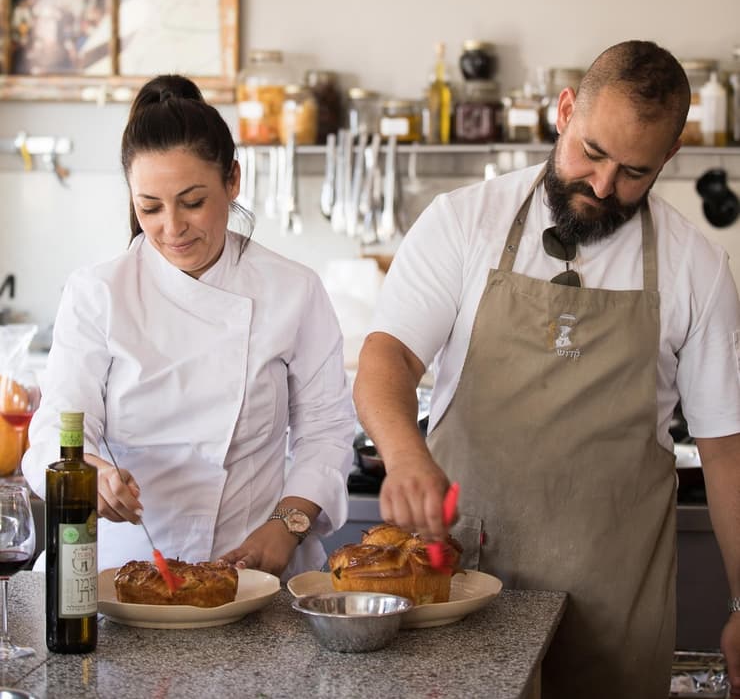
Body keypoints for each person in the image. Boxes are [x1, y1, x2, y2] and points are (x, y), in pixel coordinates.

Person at [353, 40, 740, 699]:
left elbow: (726, 450)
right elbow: (386, 357)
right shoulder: (463, 222)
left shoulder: (694, 267)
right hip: (463, 592)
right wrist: (406, 452)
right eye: (592, 152)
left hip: (615, 610)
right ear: (564, 111)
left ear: (670, 157)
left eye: (635, 172)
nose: (603, 187)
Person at [24, 74, 355, 579]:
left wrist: (287, 525)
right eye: (149, 207)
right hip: (119, 575)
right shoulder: (98, 292)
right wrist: (91, 474)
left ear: (233, 180)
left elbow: (326, 432)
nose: (172, 228)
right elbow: (57, 428)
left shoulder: (294, 290)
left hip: (254, 572)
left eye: (193, 201)